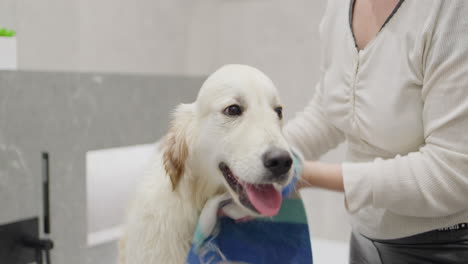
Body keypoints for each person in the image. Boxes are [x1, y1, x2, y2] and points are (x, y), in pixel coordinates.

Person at [284, 0, 468, 262]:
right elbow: (332, 108)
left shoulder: (452, 10)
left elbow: (451, 173)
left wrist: (305, 175)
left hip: (444, 248)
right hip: (365, 242)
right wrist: (265, 155)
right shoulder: (341, 6)